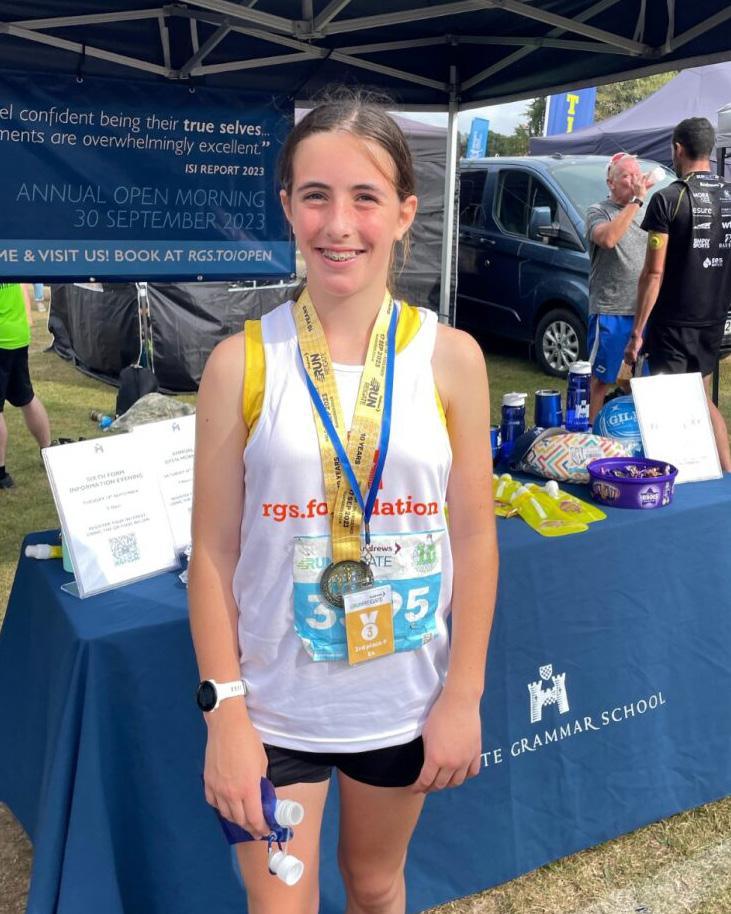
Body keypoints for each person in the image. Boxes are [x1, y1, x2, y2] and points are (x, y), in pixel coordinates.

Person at [188, 89, 498, 914]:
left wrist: (462, 695)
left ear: (404, 212)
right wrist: (224, 715)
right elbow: (212, 552)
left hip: (401, 701)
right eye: (316, 196)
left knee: (375, 885)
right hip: (272, 709)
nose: (338, 224)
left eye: (364, 197)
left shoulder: (452, 359)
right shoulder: (239, 363)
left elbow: (474, 536)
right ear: (287, 205)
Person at [624, 117, 731, 471]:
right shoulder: (728, 195)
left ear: (678, 149)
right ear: (710, 150)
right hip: (713, 318)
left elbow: (653, 273)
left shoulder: (667, 199)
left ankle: (667, 478)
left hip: (673, 322)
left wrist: (637, 331)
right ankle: (725, 472)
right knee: (700, 397)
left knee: (668, 406)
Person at [585, 153, 655, 420]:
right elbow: (608, 239)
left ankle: (635, 433)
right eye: (626, 175)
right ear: (610, 182)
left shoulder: (648, 211)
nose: (634, 180)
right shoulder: (598, 211)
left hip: (642, 312)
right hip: (610, 310)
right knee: (600, 380)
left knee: (640, 383)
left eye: (637, 174)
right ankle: (591, 433)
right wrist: (636, 201)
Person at [0, 283, 52, 489]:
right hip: (18, 335)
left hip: (4, 337)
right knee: (26, 397)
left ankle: (1, 474)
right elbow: (22, 285)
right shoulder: (11, 261)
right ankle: (48, 452)